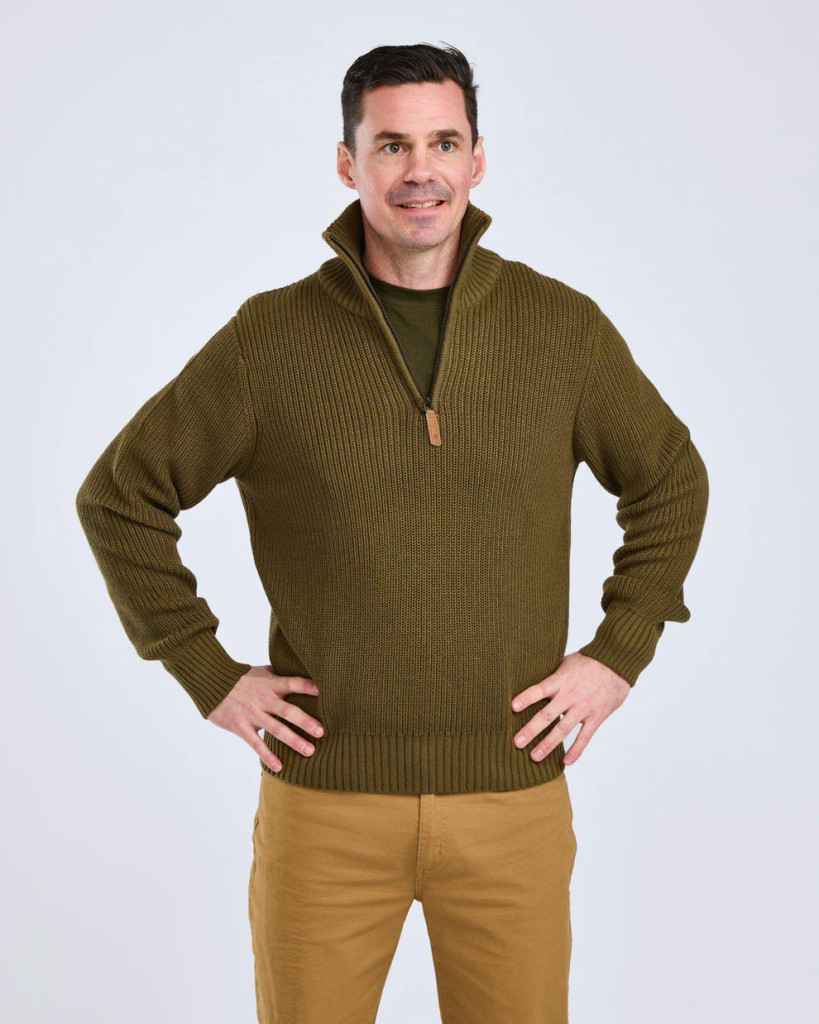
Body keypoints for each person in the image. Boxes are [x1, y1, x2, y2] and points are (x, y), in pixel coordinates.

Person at [75, 41, 709, 1024]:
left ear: (477, 159)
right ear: (349, 162)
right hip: (324, 807)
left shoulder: (560, 329)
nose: (421, 170)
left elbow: (669, 477)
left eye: (443, 143)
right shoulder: (269, 340)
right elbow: (119, 498)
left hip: (510, 800)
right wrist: (207, 670)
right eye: (392, 145)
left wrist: (618, 652)